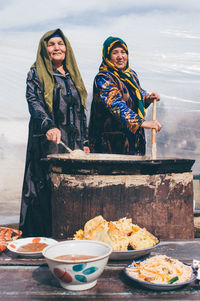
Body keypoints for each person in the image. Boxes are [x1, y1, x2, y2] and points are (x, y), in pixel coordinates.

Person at [19, 29, 89, 237]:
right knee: (46, 188)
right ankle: (43, 239)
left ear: (66, 48)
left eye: (60, 43)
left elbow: (80, 110)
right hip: (47, 141)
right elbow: (34, 102)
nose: (56, 48)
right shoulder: (36, 73)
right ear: (44, 49)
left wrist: (84, 141)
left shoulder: (72, 76)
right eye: (51, 44)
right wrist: (48, 125)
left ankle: (70, 235)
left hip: (72, 143)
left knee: (72, 188)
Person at [88, 36, 161, 155]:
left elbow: (136, 95)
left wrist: (148, 98)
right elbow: (114, 105)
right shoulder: (103, 78)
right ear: (107, 56)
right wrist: (141, 123)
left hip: (134, 142)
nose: (120, 56)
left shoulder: (131, 75)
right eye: (115, 52)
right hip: (112, 145)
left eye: (123, 52)